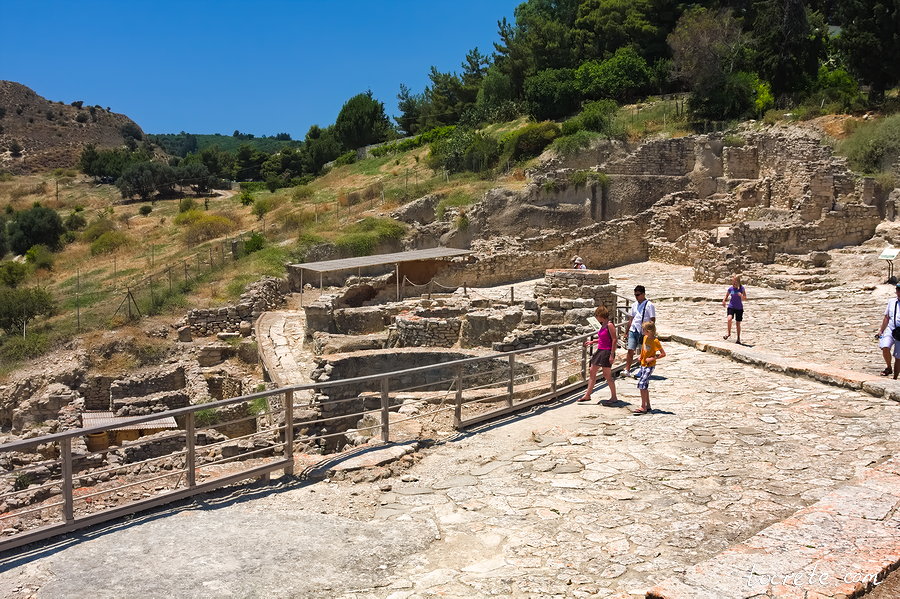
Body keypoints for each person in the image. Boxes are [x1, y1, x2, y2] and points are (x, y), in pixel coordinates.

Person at [579, 305, 618, 405]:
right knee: (592, 371)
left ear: (601, 315)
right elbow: (603, 338)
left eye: (597, 315)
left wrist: (612, 355)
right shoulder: (603, 325)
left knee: (607, 375)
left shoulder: (609, 325)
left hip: (606, 351)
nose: (596, 318)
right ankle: (587, 394)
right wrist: (593, 342)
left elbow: (614, 339)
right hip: (600, 350)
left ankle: (614, 396)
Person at [622, 285, 656, 377]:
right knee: (630, 349)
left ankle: (643, 369)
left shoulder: (649, 305)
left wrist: (650, 332)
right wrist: (626, 332)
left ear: (643, 294)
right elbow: (631, 319)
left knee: (644, 351)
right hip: (634, 329)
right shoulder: (634, 305)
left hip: (644, 331)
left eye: (638, 295)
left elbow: (652, 319)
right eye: (635, 295)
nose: (636, 297)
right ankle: (627, 370)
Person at [634, 320, 665, 415]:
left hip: (650, 365)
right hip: (643, 364)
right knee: (644, 385)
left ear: (649, 331)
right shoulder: (645, 338)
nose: (642, 331)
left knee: (642, 384)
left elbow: (663, 354)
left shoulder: (655, 341)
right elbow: (644, 350)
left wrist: (652, 358)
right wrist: (641, 357)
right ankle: (647, 405)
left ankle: (643, 406)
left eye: (644, 330)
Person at [877, 282, 900, 376]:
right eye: (898, 290)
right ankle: (888, 367)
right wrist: (881, 330)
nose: (899, 292)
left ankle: (895, 377)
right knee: (885, 347)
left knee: (898, 357)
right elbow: (887, 317)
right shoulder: (892, 302)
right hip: (891, 329)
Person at [722, 274, 747, 344]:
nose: (733, 283)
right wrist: (724, 301)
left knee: (737, 324)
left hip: (739, 308)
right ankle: (728, 333)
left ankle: (738, 338)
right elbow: (726, 296)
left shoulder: (741, 289)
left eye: (735, 281)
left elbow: (745, 298)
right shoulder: (730, 289)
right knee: (729, 319)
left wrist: (741, 295)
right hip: (731, 306)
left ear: (738, 282)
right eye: (733, 281)